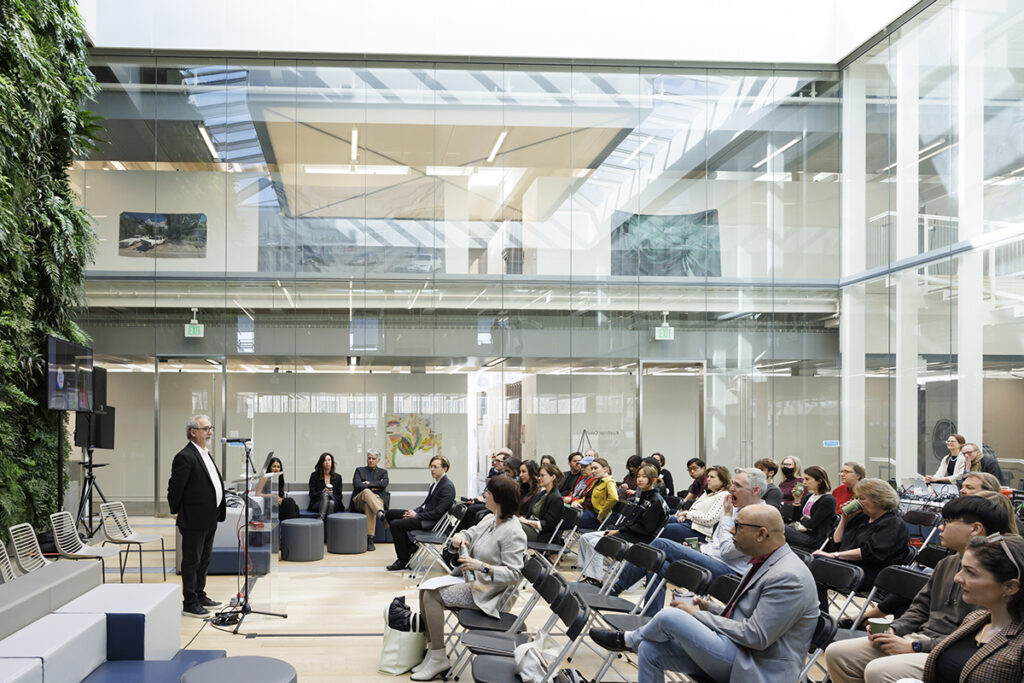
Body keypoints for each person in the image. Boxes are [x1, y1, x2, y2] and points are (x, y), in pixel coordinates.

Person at [589, 505, 819, 683]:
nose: (731, 530)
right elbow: (748, 618)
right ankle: (636, 641)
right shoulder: (766, 562)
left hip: (759, 667)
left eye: (738, 526)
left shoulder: (789, 577)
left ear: (761, 533)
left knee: (672, 617)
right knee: (649, 650)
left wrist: (696, 615)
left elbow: (756, 636)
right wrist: (710, 609)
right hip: (738, 652)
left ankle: (629, 639)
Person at [824, 495, 1011, 683]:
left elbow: (975, 636)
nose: (940, 527)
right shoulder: (946, 563)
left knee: (880, 671)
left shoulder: (995, 574)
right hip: (922, 638)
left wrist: (916, 645)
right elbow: (920, 607)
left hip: (951, 651)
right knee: (838, 653)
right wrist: (895, 630)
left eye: (948, 522)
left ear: (975, 529)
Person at [412, 475, 527, 681]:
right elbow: (470, 533)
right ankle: (433, 651)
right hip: (475, 582)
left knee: (432, 596)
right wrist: (461, 537)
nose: (485, 495)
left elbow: (514, 574)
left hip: (492, 593)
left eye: (489, 493)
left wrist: (483, 567)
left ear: (499, 498)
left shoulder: (513, 531)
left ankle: (438, 657)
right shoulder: (490, 519)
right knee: (424, 591)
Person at [610, 468, 768, 612]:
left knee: (661, 544)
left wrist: (726, 517)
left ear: (755, 491)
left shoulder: (759, 517)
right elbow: (718, 544)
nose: (732, 488)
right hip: (712, 559)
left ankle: (615, 587)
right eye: (733, 483)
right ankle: (650, 618)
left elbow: (727, 552)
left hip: (729, 575)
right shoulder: (735, 508)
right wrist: (701, 548)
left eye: (738, 486)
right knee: (659, 564)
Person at [921, 535, 1024, 683]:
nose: (957, 578)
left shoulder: (1019, 644)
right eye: (962, 568)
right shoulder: (974, 619)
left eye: (970, 572)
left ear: (1010, 587)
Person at [813, 478, 910, 605]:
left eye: (862, 498)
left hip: (872, 574)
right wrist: (844, 519)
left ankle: (817, 619)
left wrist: (834, 555)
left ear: (879, 500)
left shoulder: (892, 523)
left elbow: (869, 553)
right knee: (813, 563)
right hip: (850, 566)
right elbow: (836, 543)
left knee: (816, 566)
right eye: (856, 498)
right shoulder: (860, 518)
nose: (857, 502)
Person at [167, 414, 226, 618]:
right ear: (193, 432)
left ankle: (200, 594)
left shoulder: (204, 453)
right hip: (194, 517)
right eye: (206, 428)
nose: (210, 432)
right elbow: (175, 487)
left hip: (209, 516)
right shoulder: (185, 456)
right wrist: (176, 511)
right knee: (192, 561)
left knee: (205, 559)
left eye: (211, 428)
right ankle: (190, 602)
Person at [578, 464, 669, 583]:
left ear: (653, 480)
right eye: (638, 476)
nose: (640, 479)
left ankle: (594, 578)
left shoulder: (655, 501)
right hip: (627, 533)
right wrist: (617, 528)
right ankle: (589, 572)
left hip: (639, 539)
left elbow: (644, 528)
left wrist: (618, 531)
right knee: (584, 538)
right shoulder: (642, 496)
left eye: (644, 477)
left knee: (594, 543)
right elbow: (631, 520)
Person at [384, 455, 456, 571]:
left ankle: (403, 559)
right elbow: (425, 505)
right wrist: (415, 511)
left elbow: (437, 513)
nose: (432, 469)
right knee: (390, 514)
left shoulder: (447, 486)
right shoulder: (436, 484)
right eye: (431, 466)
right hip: (425, 516)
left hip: (432, 522)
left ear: (445, 469)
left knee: (395, 524)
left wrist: (417, 516)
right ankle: (410, 547)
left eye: (435, 467)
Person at [662, 465, 730, 544]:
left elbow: (710, 519)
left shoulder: (723, 496)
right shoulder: (708, 493)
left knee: (661, 529)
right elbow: (693, 510)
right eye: (708, 476)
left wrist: (687, 514)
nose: (708, 479)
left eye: (712, 477)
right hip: (689, 523)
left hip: (699, 531)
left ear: (723, 480)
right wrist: (683, 515)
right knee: (657, 521)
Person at [784, 466, 837, 551]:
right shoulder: (809, 496)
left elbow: (811, 525)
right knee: (777, 527)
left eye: (807, 479)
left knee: (778, 528)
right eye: (804, 479)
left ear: (819, 481)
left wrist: (803, 519)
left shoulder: (828, 500)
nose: (804, 483)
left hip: (813, 539)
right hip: (801, 531)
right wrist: (797, 501)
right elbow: (796, 519)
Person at [350, 448, 389, 551]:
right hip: (359, 499)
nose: (371, 460)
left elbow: (384, 484)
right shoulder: (359, 470)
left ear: (378, 460)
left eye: (373, 458)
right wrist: (375, 486)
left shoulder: (383, 472)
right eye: (369, 458)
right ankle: (381, 513)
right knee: (367, 493)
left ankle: (370, 539)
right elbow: (357, 485)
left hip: (376, 500)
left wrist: (368, 483)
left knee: (369, 505)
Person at [518, 462, 563, 542]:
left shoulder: (556, 498)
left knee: (511, 527)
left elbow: (548, 525)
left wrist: (527, 521)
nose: (539, 478)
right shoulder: (543, 493)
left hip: (541, 534)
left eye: (542, 475)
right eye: (539, 475)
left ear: (553, 477)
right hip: (531, 527)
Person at [570, 457, 618, 530]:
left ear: (605, 469)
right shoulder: (596, 481)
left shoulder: (609, 482)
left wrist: (602, 514)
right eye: (592, 469)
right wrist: (576, 502)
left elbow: (614, 498)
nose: (593, 471)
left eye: (595, 468)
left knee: (560, 520)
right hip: (584, 510)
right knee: (558, 516)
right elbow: (586, 497)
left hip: (593, 515)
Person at [256, 456, 299, 521]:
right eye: (274, 466)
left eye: (278, 467)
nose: (276, 469)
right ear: (269, 467)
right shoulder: (264, 477)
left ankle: (291, 524)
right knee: (290, 501)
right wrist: (272, 496)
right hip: (268, 505)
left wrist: (280, 499)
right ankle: (292, 524)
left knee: (293, 505)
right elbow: (257, 494)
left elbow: (281, 495)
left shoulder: (279, 478)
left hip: (276, 504)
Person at [308, 452, 344, 521]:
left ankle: (320, 520)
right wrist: (322, 492)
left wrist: (331, 494)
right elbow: (312, 494)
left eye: (329, 460)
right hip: (318, 503)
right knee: (329, 501)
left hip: (334, 501)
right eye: (325, 460)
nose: (327, 462)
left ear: (332, 462)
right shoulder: (314, 476)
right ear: (321, 463)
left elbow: (339, 496)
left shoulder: (338, 477)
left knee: (331, 501)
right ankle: (329, 526)